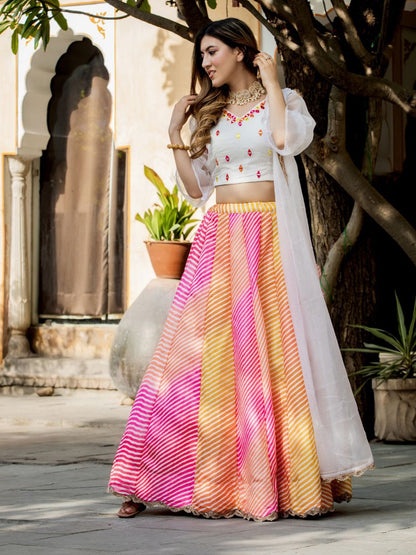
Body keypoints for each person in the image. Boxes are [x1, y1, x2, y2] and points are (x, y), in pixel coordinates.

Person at [108, 17, 374, 522]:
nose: (204, 63)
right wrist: (174, 133)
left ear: (239, 50)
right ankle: (146, 477)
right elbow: (196, 189)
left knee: (269, 357)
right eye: (202, 55)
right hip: (220, 237)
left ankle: (278, 484)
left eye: (211, 52)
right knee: (188, 358)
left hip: (268, 238)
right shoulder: (212, 114)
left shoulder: (285, 99)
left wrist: (272, 82)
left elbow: (285, 140)